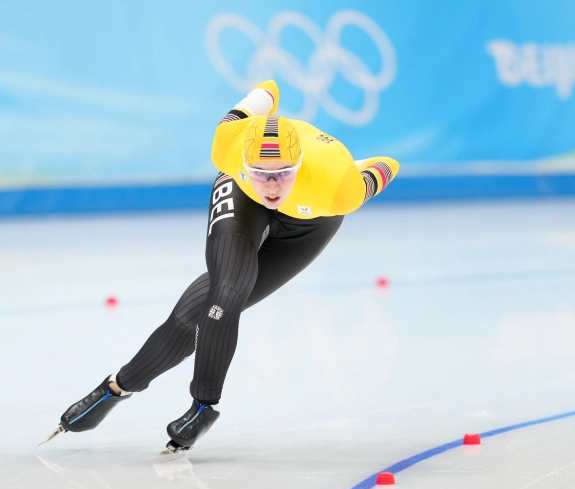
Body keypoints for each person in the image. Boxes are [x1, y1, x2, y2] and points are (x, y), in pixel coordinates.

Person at [42, 80, 399, 454]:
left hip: (311, 221)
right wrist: (261, 121)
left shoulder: (339, 186)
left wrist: (355, 170)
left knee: (204, 310)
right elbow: (266, 90)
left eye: (283, 173)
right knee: (222, 295)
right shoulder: (228, 144)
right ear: (243, 161)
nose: (272, 186)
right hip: (242, 200)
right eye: (261, 171)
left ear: (299, 166)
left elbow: (387, 165)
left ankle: (198, 406)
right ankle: (120, 390)